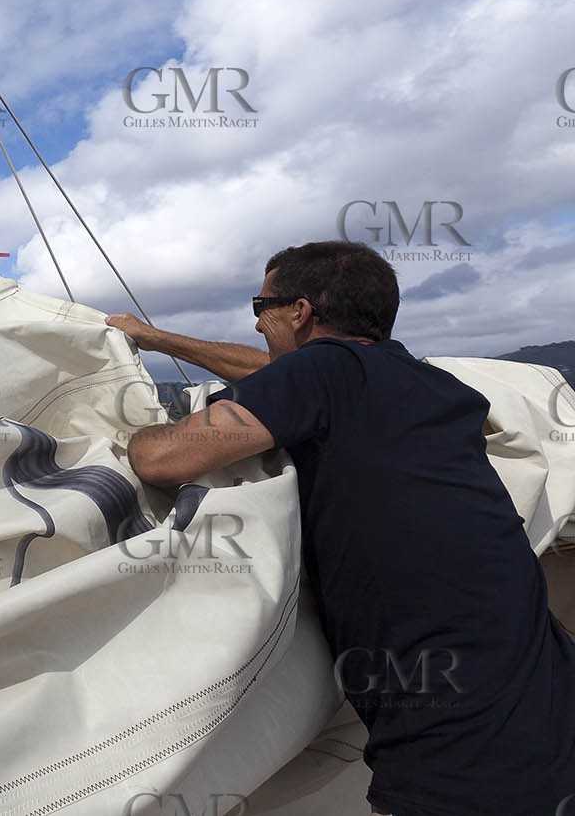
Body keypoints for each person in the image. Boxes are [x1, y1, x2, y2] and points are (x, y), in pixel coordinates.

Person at [108, 240, 575, 816]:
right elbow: (279, 371)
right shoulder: (427, 383)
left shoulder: (320, 372)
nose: (257, 323)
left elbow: (164, 460)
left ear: (300, 312)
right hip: (537, 673)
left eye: (262, 306)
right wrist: (158, 340)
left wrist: (133, 431)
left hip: (451, 716)